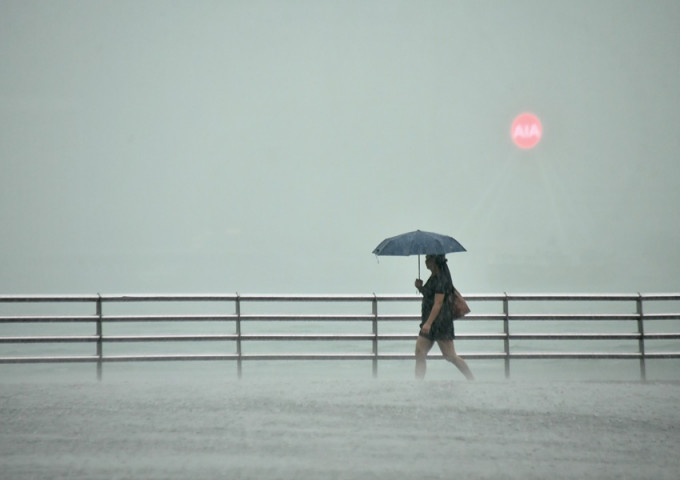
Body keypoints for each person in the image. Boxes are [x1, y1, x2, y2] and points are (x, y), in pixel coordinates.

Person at [414, 254, 474, 380]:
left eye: (428, 259)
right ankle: (418, 382)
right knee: (420, 352)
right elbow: (430, 296)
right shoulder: (434, 277)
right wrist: (421, 288)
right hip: (429, 321)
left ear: (435, 261)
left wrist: (428, 323)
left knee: (450, 355)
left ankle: (471, 379)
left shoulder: (442, 278)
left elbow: (438, 303)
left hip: (441, 322)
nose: (426, 262)